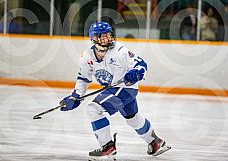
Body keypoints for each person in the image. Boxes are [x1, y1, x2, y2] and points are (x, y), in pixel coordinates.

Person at [60, 22, 170, 160]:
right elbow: (83, 79)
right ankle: (156, 142)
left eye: (109, 34)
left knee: (93, 109)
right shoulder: (86, 57)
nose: (107, 38)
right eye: (103, 35)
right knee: (133, 119)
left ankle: (107, 147)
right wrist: (75, 96)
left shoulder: (120, 50)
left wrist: (136, 73)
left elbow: (141, 64)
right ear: (94, 38)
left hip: (125, 88)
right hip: (115, 89)